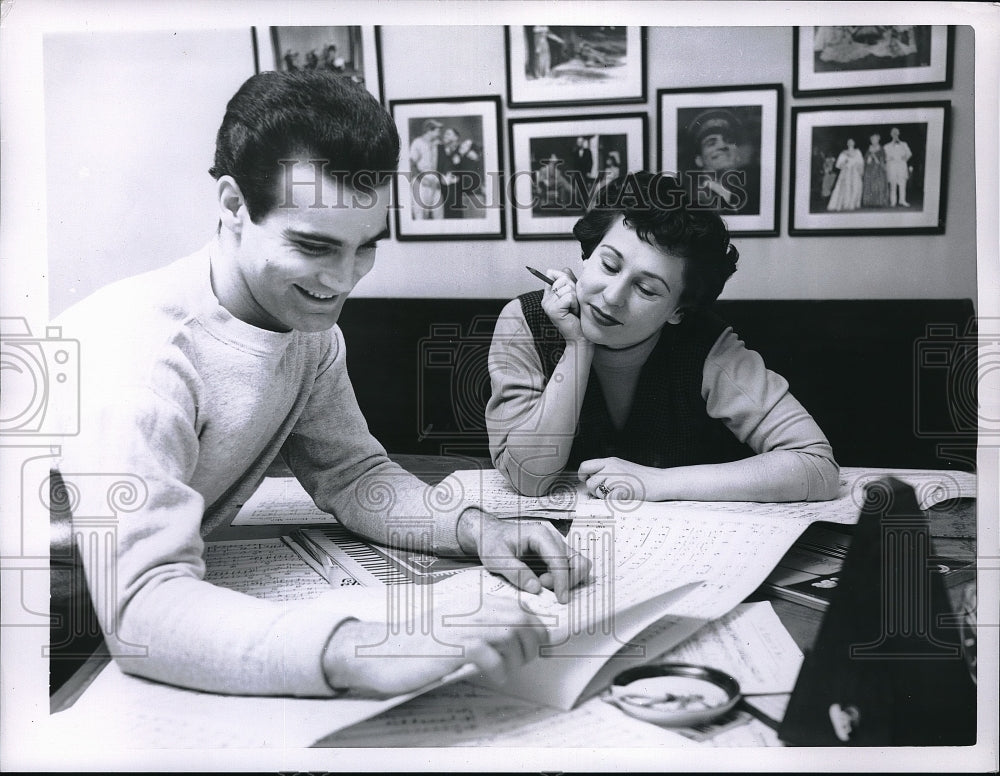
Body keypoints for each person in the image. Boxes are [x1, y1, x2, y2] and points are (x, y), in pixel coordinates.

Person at [53, 70, 589, 699]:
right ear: (232, 205)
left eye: (365, 247)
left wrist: (477, 529)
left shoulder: (309, 331)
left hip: (111, 613)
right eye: (314, 245)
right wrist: (363, 647)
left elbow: (354, 476)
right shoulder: (139, 354)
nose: (342, 280)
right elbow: (142, 611)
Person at [486, 171, 839, 503]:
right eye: (609, 265)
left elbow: (816, 466)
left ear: (678, 311)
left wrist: (657, 483)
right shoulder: (526, 321)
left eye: (647, 289)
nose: (612, 296)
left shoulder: (708, 345)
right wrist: (579, 346)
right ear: (588, 254)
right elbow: (527, 479)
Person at [685, 108, 761, 216]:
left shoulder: (749, 192)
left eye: (729, 141)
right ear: (699, 160)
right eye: (711, 143)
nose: (722, 146)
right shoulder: (698, 197)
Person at [409, 118, 444, 220]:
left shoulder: (437, 144)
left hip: (434, 181)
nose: (439, 132)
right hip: (421, 182)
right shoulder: (418, 142)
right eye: (437, 130)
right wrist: (422, 178)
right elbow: (411, 163)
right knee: (420, 215)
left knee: (439, 214)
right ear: (429, 130)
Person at [826, 138, 864, 212]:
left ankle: (852, 204)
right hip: (846, 172)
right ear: (847, 144)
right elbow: (838, 165)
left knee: (855, 187)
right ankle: (845, 204)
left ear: (854, 143)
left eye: (852, 142)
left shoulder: (857, 152)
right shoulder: (843, 153)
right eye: (849, 142)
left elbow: (861, 162)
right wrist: (844, 163)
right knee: (845, 188)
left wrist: (859, 170)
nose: (850, 143)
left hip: (855, 172)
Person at [884, 126, 913, 207]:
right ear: (891, 134)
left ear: (899, 133)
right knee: (893, 185)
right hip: (892, 167)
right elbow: (884, 157)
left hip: (901, 166)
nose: (895, 134)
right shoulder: (887, 146)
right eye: (893, 133)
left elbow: (909, 153)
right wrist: (890, 158)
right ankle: (893, 201)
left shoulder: (904, 144)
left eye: (896, 132)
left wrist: (905, 158)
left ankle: (902, 201)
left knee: (902, 184)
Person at [861, 132, 889, 208]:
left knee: (879, 185)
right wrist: (868, 159)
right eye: (872, 139)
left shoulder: (881, 148)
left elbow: (882, 161)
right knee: (869, 185)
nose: (873, 140)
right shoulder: (869, 149)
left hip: (878, 170)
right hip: (870, 170)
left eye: (875, 139)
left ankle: (880, 202)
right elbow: (866, 160)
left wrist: (875, 157)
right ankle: (869, 202)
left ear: (878, 139)